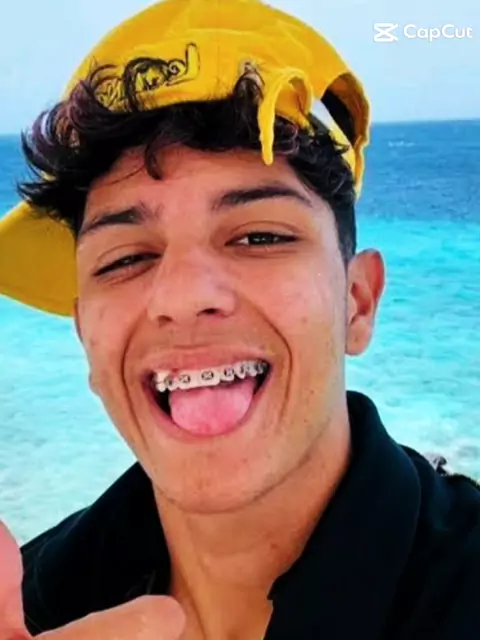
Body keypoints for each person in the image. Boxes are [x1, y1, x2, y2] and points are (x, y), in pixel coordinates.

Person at [0, 0, 479, 638]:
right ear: (86, 335)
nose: (182, 296)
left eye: (259, 237)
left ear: (357, 302)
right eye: (127, 258)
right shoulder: (34, 603)